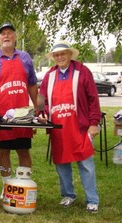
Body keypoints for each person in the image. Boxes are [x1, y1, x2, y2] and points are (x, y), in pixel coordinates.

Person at [38, 40, 100, 213]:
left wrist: (94, 124)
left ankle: (92, 199)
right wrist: (40, 113)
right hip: (59, 128)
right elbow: (41, 99)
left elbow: (93, 98)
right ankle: (68, 195)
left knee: (86, 164)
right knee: (62, 163)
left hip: (80, 127)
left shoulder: (82, 71)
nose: (59, 57)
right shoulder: (50, 75)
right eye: (56, 55)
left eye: (63, 54)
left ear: (70, 55)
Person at [0, 22, 38, 199]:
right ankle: (7, 186)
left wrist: (39, 109)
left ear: (15, 37)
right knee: (3, 151)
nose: (6, 36)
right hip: (1, 116)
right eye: (2, 34)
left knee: (23, 150)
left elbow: (33, 85)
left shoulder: (25, 58)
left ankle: (24, 184)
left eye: (9, 33)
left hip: (22, 116)